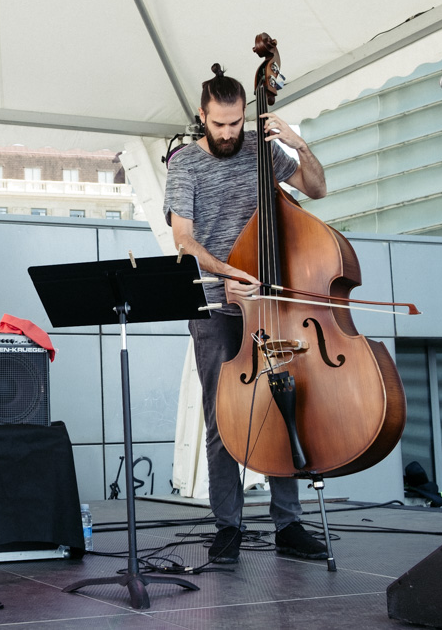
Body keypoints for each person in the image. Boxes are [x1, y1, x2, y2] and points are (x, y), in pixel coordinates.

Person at [163, 64, 329, 564]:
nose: (229, 133)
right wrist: (227, 271)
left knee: (283, 406)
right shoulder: (185, 165)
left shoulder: (262, 149)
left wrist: (298, 145)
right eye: (219, 124)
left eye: (236, 123)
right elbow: (184, 240)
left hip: (273, 302)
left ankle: (289, 524)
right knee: (224, 418)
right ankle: (228, 526)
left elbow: (317, 190)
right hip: (216, 303)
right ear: (202, 116)